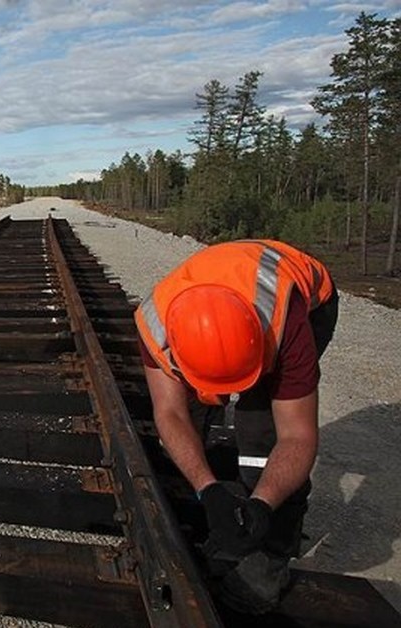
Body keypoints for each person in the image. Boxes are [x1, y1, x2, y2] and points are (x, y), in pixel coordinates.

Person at [134, 239, 338, 614]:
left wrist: (263, 505)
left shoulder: (287, 327)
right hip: (221, 305)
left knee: (262, 431)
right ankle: (219, 513)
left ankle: (268, 560)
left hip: (307, 299)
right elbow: (170, 414)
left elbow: (298, 436)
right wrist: (207, 489)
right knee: (191, 424)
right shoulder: (155, 325)